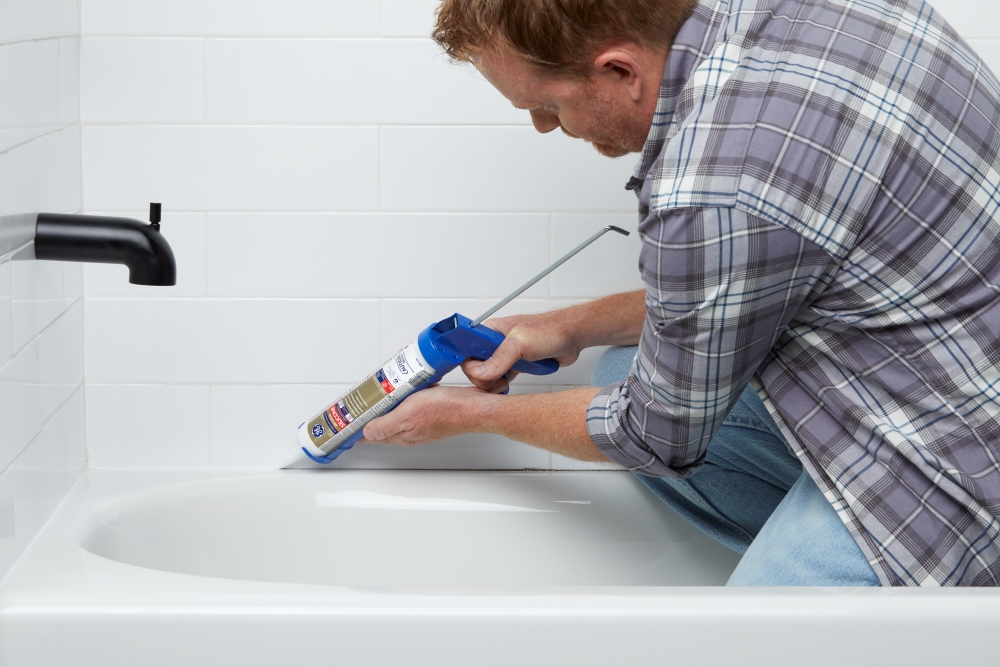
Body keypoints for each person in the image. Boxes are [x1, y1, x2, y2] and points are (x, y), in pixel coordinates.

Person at [363, 0, 1000, 587]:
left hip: (958, 465)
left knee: (752, 640)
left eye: (549, 106)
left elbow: (654, 438)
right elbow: (767, 270)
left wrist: (472, 416)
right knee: (621, 370)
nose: (541, 127)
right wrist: (576, 325)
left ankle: (896, 588)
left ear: (619, 70)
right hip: (952, 353)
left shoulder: (712, 189)